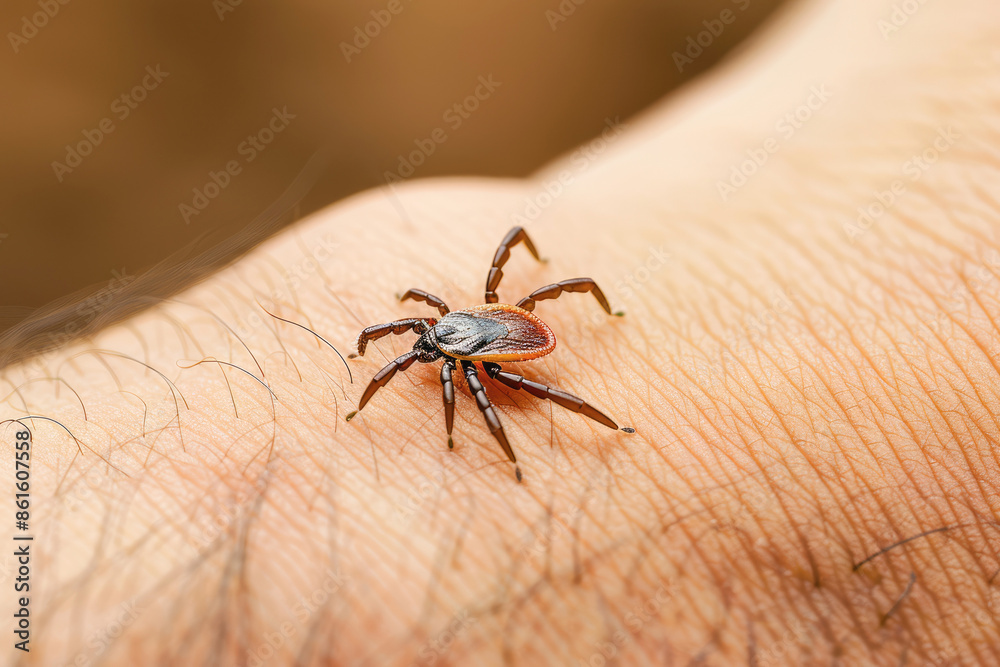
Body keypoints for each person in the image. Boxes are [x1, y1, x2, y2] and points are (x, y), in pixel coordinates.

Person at [6, 0, 998, 663]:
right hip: (511, 325)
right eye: (430, 346)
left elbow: (463, 359)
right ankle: (590, 353)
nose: (428, 353)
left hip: (517, 334)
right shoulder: (441, 333)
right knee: (525, 296)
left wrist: (449, 408)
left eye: (429, 346)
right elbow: (423, 325)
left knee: (528, 366)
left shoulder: (461, 357)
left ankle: (605, 416)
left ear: (445, 337)